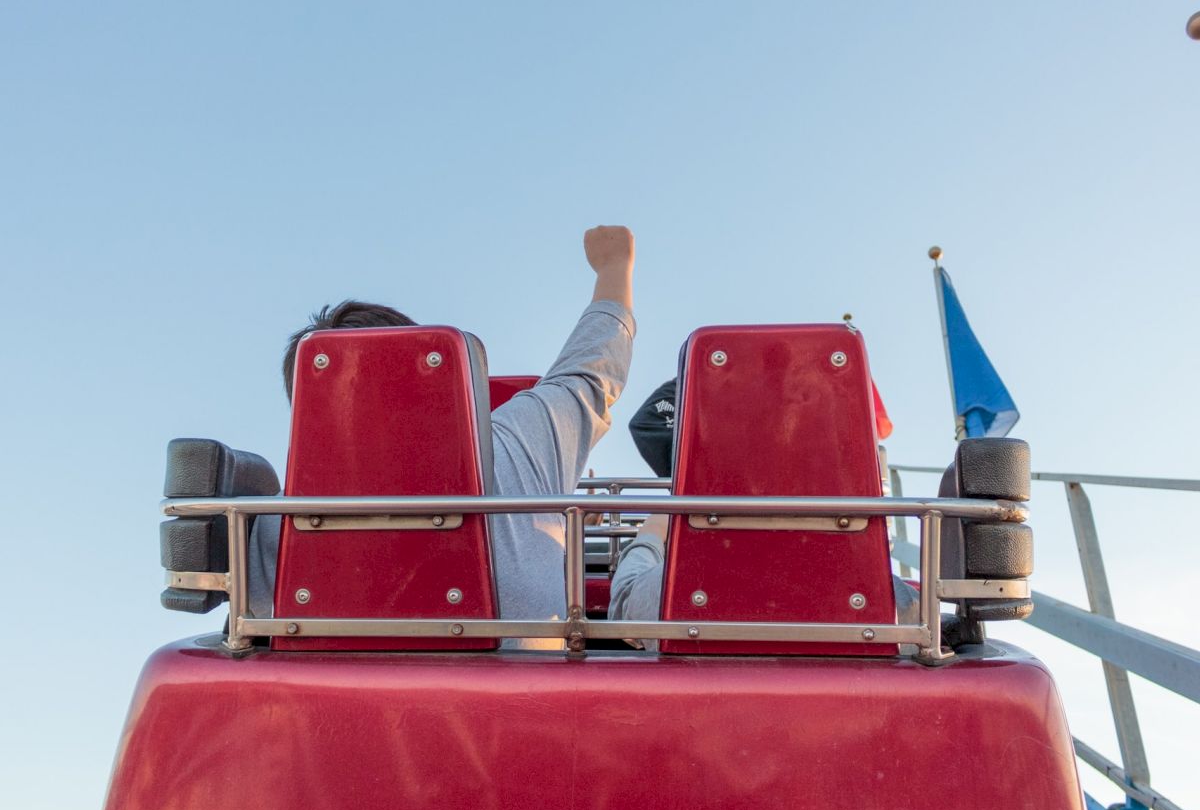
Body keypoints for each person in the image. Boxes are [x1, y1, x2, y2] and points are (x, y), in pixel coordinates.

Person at [248, 226, 637, 648]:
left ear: (307, 411)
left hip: (332, 711)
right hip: (519, 707)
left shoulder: (269, 523)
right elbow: (590, 372)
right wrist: (614, 269)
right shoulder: (518, 441)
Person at [609, 374, 918, 635]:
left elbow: (624, 604)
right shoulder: (886, 598)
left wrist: (650, 534)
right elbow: (922, 622)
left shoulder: (672, 589)